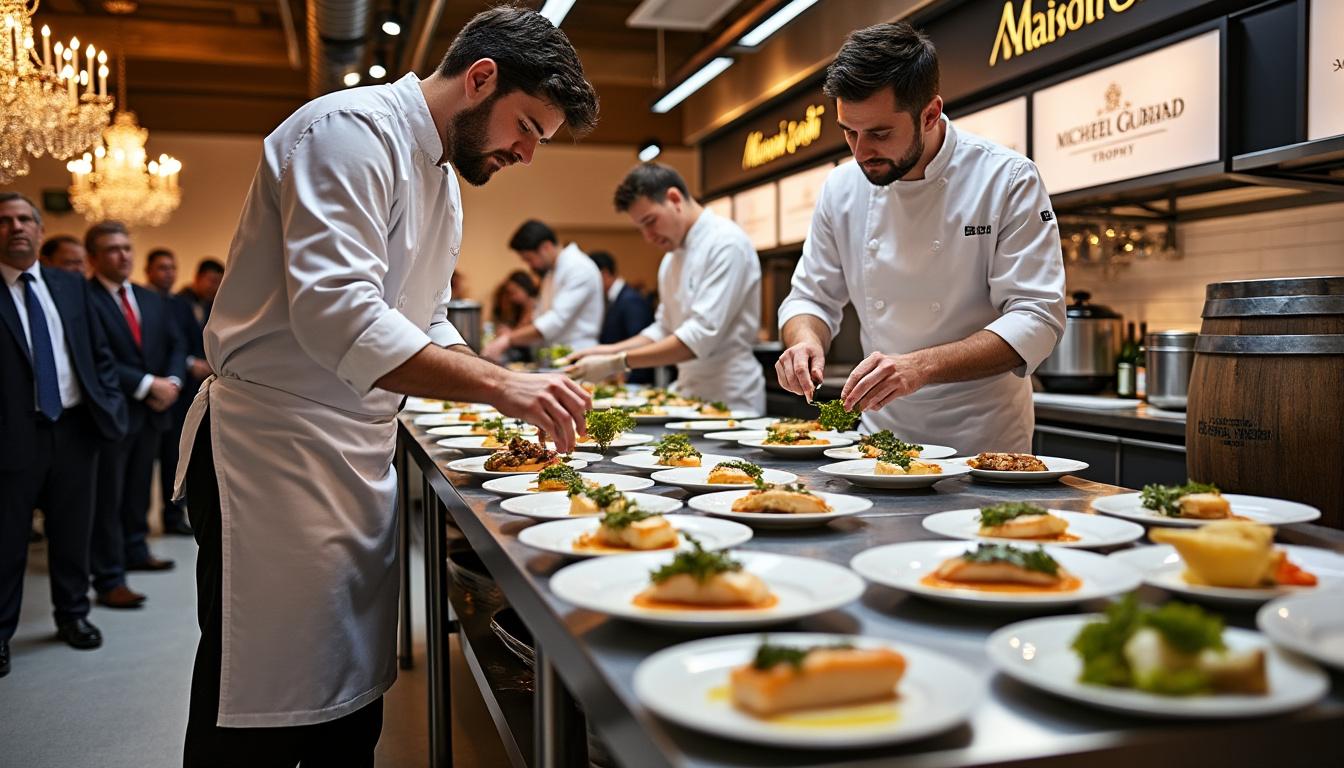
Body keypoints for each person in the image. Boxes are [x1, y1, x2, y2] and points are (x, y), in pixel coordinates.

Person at [173, 7, 597, 764]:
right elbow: (338, 317)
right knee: (255, 704)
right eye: (527, 127)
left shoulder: (443, 182)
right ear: (480, 78)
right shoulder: (346, 130)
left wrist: (503, 391)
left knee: (349, 702)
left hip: (352, 452)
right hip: (272, 450)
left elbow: (426, 320)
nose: (528, 153)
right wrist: (500, 386)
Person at [774, 22, 1065, 452]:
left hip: (982, 440)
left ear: (930, 113)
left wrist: (920, 366)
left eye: (879, 133)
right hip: (879, 438)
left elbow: (1037, 317)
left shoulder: (1005, 178)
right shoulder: (840, 189)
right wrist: (803, 342)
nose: (859, 151)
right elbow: (809, 298)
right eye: (848, 132)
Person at [0, 193, 128, 678]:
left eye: (25, 220)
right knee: (8, 540)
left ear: (39, 229)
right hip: (15, 434)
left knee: (74, 532)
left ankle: (73, 615)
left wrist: (109, 404)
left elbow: (99, 353)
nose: (15, 228)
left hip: (75, 429)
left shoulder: (69, 286)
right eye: (5, 221)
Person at [566, 163, 766, 413]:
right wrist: (606, 350)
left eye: (650, 221)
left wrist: (615, 363)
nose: (648, 237)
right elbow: (664, 328)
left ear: (674, 199)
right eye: (641, 228)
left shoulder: (726, 243)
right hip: (687, 391)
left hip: (730, 394)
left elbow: (698, 338)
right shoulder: (671, 259)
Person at [86, 221, 186, 609]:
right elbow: (97, 358)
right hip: (112, 411)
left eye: (127, 247)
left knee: (138, 489)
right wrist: (147, 384)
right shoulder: (85, 298)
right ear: (94, 257)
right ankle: (110, 577)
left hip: (153, 412)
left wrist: (173, 382)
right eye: (112, 249)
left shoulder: (150, 298)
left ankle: (135, 549)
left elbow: (175, 344)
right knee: (107, 497)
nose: (123, 255)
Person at [480, 219, 603, 359]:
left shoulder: (578, 267)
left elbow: (555, 320)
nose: (530, 266)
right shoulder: (551, 273)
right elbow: (539, 317)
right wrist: (512, 334)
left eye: (529, 259)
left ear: (546, 247)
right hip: (557, 355)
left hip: (578, 353)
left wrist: (508, 339)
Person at [588, 249, 655, 384]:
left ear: (604, 274)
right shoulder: (613, 298)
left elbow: (639, 339)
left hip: (634, 379)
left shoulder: (630, 299)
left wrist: (627, 379)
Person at [491, 269, 539, 363]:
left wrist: (510, 334)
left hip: (535, 356)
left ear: (525, 287)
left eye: (514, 292)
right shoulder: (518, 310)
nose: (512, 297)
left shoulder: (538, 307)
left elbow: (535, 333)